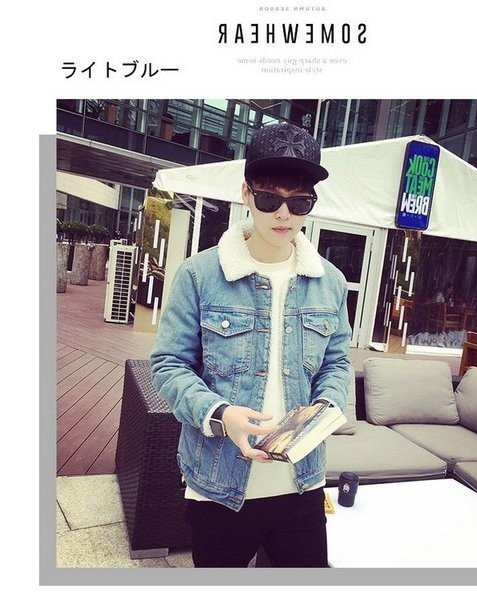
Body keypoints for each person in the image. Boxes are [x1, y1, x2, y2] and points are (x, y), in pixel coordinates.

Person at [150, 122, 352, 568]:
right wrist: (219, 413)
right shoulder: (200, 275)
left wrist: (324, 410)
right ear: (246, 194)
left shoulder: (331, 282)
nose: (284, 214)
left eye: (299, 202)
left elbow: (337, 362)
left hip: (301, 481)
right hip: (219, 484)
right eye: (269, 199)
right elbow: (168, 364)